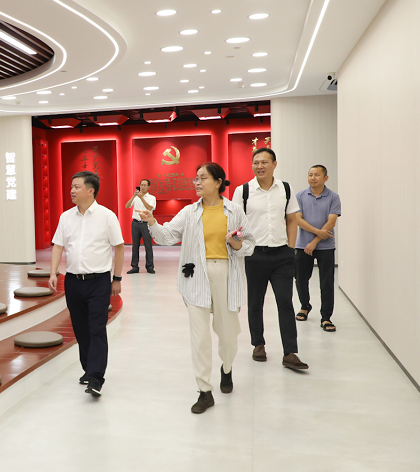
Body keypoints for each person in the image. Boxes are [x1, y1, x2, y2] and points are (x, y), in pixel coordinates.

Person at [141, 163, 254, 414]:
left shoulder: (234, 211)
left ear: (218, 182)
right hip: (196, 278)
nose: (197, 183)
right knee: (199, 337)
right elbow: (167, 236)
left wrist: (237, 244)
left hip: (226, 275)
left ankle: (227, 368)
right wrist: (152, 222)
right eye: (196, 179)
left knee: (228, 335)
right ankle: (204, 390)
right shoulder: (189, 212)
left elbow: (249, 244)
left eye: (203, 178)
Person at [49, 171, 124, 397]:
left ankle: (96, 377)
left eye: (77, 187)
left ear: (91, 191)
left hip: (98, 281)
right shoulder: (66, 217)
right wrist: (53, 272)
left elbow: (119, 247)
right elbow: (58, 246)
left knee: (96, 328)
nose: (72, 190)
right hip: (73, 281)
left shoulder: (107, 216)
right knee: (81, 330)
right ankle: (88, 369)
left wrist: (117, 278)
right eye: (71, 186)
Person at [232, 148, 308, 370]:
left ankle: (290, 352)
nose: (260, 166)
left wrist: (291, 249)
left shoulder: (285, 188)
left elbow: (292, 220)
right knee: (255, 302)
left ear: (274, 164)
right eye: (256, 162)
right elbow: (234, 225)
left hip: (282, 255)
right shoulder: (243, 191)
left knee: (285, 302)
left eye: (264, 162)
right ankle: (258, 344)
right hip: (254, 254)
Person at [294, 164, 341, 332]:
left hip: (326, 247)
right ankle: (305, 306)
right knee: (300, 278)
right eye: (310, 175)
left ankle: (326, 317)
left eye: (316, 175)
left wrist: (314, 241)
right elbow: (298, 219)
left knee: (326, 282)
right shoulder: (299, 196)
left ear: (325, 178)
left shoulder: (333, 197)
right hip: (302, 245)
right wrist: (317, 233)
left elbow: (331, 222)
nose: (313, 178)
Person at [125, 179, 156, 274]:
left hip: (146, 224)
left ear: (148, 187)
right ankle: (134, 266)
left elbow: (149, 208)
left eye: (144, 185)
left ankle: (150, 267)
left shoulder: (152, 198)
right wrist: (134, 196)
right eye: (141, 185)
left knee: (148, 246)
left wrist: (141, 198)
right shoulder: (136, 197)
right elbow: (127, 206)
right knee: (135, 246)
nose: (142, 187)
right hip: (135, 223)